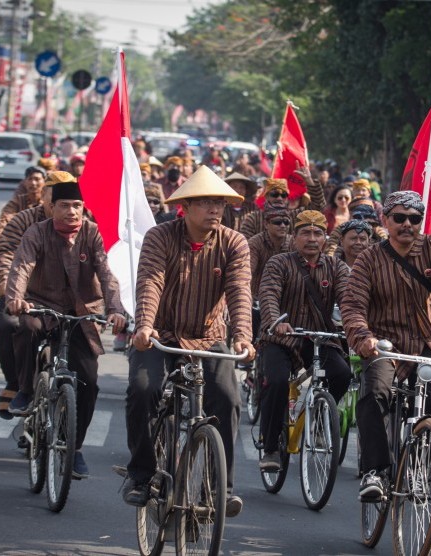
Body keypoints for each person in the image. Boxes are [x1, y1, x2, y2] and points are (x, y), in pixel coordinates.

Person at [123, 166, 255, 518]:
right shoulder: (160, 237)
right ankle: (140, 474)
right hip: (160, 336)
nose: (215, 209)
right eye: (207, 202)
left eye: (220, 203)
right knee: (142, 389)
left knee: (227, 398)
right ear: (185, 206)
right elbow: (149, 282)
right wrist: (144, 326)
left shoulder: (234, 242)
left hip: (209, 338)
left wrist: (243, 335)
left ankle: (220, 487)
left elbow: (240, 293)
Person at [341, 190, 431, 500]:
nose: (407, 225)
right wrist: (364, 337)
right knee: (374, 392)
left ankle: (423, 468)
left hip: (430, 341)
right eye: (399, 218)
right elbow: (352, 304)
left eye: (415, 219)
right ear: (385, 220)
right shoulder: (370, 258)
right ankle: (374, 471)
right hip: (385, 343)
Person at [5, 175, 126, 478]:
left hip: (82, 314)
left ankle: (76, 448)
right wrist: (16, 298)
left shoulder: (93, 234)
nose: (71, 211)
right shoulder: (37, 232)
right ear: (51, 207)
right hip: (41, 306)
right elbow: (22, 266)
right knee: (25, 329)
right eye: (64, 205)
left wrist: (114, 309)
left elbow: (107, 272)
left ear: (84, 208)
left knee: (89, 382)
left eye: (76, 205)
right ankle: (26, 388)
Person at [257, 210, 352, 471]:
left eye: (318, 233)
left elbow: (347, 300)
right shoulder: (279, 263)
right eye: (305, 233)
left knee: (342, 373)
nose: (312, 239)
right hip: (282, 338)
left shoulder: (337, 267)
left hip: (319, 338)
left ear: (325, 237)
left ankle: (320, 419)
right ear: (294, 236)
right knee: (276, 381)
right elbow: (268, 295)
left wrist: (355, 326)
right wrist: (276, 322)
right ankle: (271, 447)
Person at [0, 171, 59, 418]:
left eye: (72, 202)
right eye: (55, 198)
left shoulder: (86, 225)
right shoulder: (23, 220)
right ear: (43, 197)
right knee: (6, 326)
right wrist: (8, 290)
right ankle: (16, 383)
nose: (65, 208)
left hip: (68, 301)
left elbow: (102, 265)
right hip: (24, 295)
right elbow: (5, 252)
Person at [239, 167, 325, 239]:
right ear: (266, 197)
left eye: (283, 195)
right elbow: (246, 245)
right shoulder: (254, 219)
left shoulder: (295, 216)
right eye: (275, 194)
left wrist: (308, 180)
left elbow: (318, 205)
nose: (279, 198)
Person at [0, 166, 47, 244]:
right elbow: (5, 218)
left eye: (37, 179)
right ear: (25, 182)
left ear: (44, 181)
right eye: (30, 179)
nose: (33, 183)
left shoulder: (49, 203)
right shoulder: (18, 201)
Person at [248, 208, 293, 299]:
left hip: (287, 297)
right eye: (277, 222)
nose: (283, 226)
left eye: (286, 222)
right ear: (266, 224)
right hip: (257, 297)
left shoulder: (294, 242)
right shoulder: (255, 243)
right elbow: (248, 272)